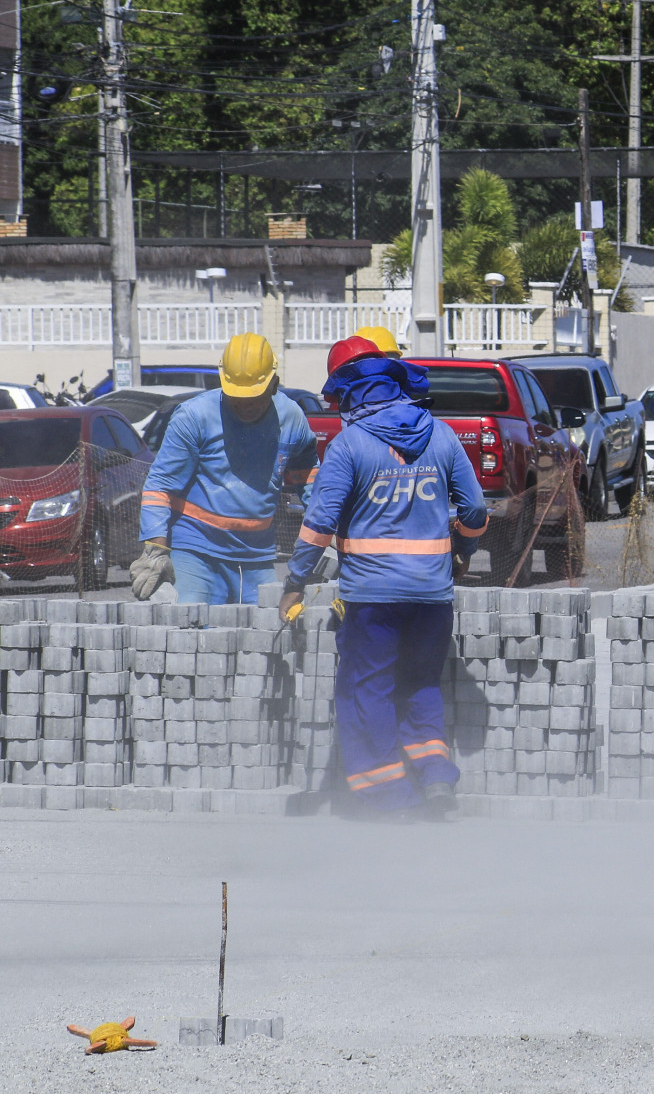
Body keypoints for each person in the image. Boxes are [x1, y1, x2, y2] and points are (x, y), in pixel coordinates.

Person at [280, 337, 489, 819]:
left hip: (372, 598)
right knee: (420, 684)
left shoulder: (349, 444)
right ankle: (436, 776)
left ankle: (389, 798)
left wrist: (295, 581)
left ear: (350, 396)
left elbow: (319, 524)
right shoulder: (441, 435)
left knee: (365, 690)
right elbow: (475, 509)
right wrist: (464, 550)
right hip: (432, 597)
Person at [129, 333, 317, 605]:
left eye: (254, 398)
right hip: (196, 552)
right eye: (237, 399)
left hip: (257, 556)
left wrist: (326, 524)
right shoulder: (195, 416)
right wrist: (155, 550)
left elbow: (308, 472)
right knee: (193, 633)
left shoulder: (291, 418)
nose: (246, 407)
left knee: (264, 638)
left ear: (274, 385)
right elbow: (161, 486)